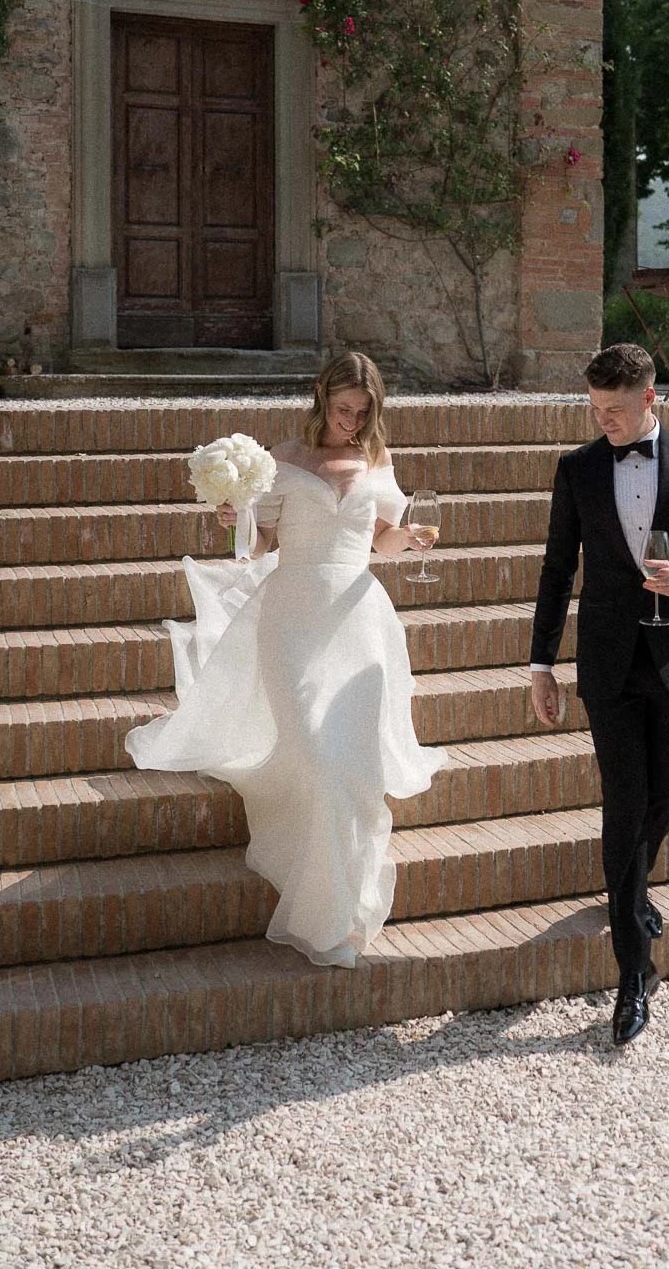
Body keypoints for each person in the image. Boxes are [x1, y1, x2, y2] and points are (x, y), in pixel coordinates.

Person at [126, 351, 446, 968]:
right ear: (321, 398)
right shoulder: (283, 459)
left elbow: (381, 537)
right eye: (342, 407)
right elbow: (260, 543)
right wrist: (235, 515)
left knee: (347, 762)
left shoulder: (378, 462)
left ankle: (339, 904)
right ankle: (323, 892)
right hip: (292, 615)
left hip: (358, 621)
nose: (351, 421)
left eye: (362, 411)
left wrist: (407, 540)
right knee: (314, 749)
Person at [530, 342, 669, 1045]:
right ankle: (633, 972)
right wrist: (541, 664)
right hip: (609, 664)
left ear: (650, 398)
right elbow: (559, 566)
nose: (605, 423)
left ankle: (631, 892)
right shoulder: (579, 468)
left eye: (616, 411)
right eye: (595, 411)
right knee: (623, 804)